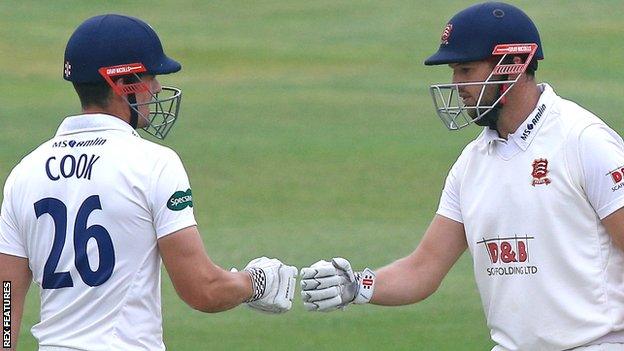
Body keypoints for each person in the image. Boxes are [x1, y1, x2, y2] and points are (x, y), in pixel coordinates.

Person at [300, 2, 624, 350]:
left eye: (466, 70)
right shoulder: (471, 164)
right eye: (454, 71)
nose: (457, 85)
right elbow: (423, 269)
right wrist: (357, 285)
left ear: (514, 64)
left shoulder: (583, 140)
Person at [0, 14, 297, 351]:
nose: (155, 88)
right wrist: (256, 282)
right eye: (149, 77)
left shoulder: (24, 173)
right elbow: (202, 289)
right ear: (120, 83)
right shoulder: (154, 164)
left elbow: (5, 309)